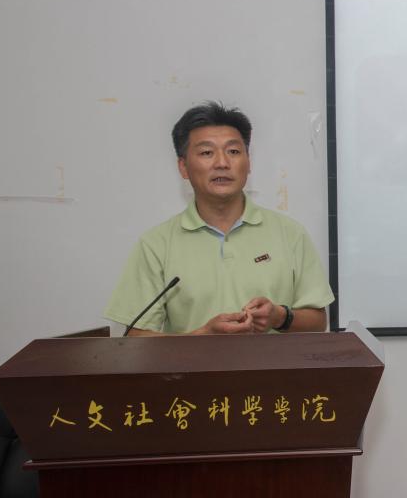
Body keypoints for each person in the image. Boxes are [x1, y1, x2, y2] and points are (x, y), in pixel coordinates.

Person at [105, 101, 334, 336]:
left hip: (273, 363)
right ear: (183, 167)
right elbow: (135, 338)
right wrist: (203, 337)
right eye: (207, 153)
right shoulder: (156, 244)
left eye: (233, 151)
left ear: (248, 162)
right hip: (191, 363)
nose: (222, 163)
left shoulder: (290, 233)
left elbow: (318, 322)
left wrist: (279, 316)